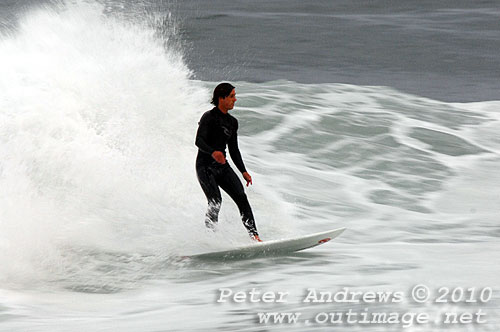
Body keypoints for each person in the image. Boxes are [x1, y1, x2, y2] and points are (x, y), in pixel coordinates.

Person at [195, 83, 262, 242]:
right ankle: (210, 238)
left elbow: (234, 150)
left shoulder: (232, 122)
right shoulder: (208, 117)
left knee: (241, 197)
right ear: (221, 98)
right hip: (205, 166)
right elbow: (198, 141)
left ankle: (254, 236)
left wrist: (243, 171)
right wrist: (213, 152)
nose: (235, 99)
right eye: (232, 96)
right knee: (215, 201)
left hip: (222, 167)